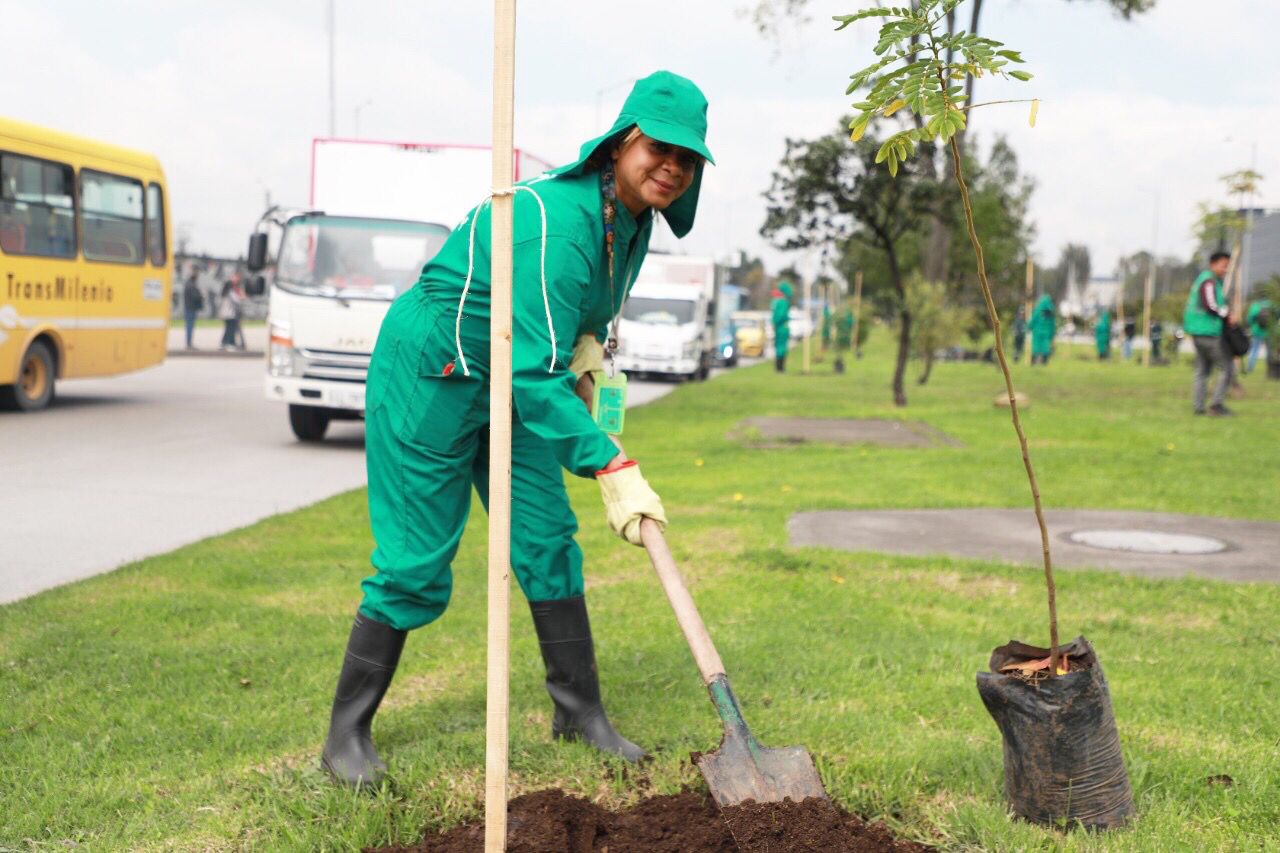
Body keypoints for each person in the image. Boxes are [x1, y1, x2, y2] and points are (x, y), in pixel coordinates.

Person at [319, 71, 713, 787]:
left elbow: (571, 339)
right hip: (434, 368)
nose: (673, 167)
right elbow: (537, 372)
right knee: (415, 564)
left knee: (545, 540)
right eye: (660, 147)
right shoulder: (559, 221)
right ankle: (345, 736)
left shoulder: (632, 225)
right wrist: (611, 466)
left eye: (688, 160)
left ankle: (579, 712)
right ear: (624, 141)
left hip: (512, 371)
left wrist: (599, 403)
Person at [1183, 251, 1237, 415]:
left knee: (1202, 370)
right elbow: (1210, 305)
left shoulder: (1209, 280)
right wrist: (1227, 315)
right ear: (1213, 264)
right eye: (1224, 265)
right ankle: (1216, 405)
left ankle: (1199, 407)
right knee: (1227, 368)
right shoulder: (1208, 281)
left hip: (1199, 330)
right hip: (1206, 331)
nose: (1226, 269)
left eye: (1227, 266)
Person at [218, 274, 246, 350]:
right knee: (230, 329)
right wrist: (242, 296)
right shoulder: (230, 292)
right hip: (230, 314)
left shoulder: (225, 293)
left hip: (226, 314)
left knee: (228, 329)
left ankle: (224, 343)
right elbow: (237, 300)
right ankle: (229, 343)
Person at [1245, 298, 1272, 374]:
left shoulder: (1255, 306)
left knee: (1254, 349)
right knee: (1269, 351)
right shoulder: (1271, 304)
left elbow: (1249, 319)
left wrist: (1251, 326)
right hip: (1269, 331)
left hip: (1256, 331)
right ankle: (1270, 369)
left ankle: (1250, 368)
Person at [771, 280, 793, 372]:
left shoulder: (781, 302)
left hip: (781, 328)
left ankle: (779, 368)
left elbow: (779, 316)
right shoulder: (784, 302)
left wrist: (774, 324)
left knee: (780, 347)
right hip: (783, 327)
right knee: (781, 347)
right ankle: (780, 367)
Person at [1029, 294, 1056, 365]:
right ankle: (1044, 362)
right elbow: (1053, 324)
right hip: (1047, 333)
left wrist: (1028, 326)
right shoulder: (1051, 312)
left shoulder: (1038, 310)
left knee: (1036, 347)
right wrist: (1052, 333)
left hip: (1037, 333)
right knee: (1045, 347)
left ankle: (1033, 361)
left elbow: (1032, 320)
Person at [181, 267, 203, 349]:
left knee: (189, 326)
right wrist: (201, 295)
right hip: (190, 308)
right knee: (190, 326)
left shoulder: (189, 284)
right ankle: (189, 344)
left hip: (189, 308)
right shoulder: (191, 285)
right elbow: (195, 296)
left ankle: (189, 343)